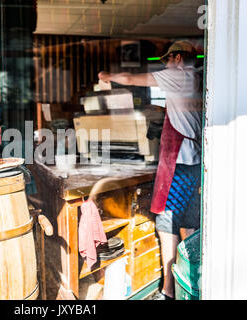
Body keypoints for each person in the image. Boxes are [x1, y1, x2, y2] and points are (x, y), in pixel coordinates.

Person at [98, 40, 203, 300]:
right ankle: (189, 284)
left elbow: (133, 78)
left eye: (168, 59)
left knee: (167, 224)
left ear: (178, 59)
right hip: (194, 163)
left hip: (179, 161)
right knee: (189, 225)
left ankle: (168, 291)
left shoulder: (178, 75)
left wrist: (107, 75)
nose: (166, 63)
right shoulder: (196, 79)